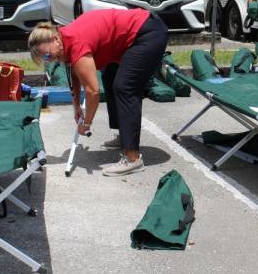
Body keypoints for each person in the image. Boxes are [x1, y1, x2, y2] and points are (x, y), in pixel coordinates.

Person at [28, 9, 168, 176]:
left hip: (148, 33)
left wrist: (86, 123)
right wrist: (76, 108)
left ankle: (133, 158)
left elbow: (93, 91)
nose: (50, 60)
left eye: (48, 55)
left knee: (124, 87)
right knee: (110, 76)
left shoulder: (76, 43)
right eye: (46, 59)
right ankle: (124, 136)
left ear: (56, 39)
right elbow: (74, 73)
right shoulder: (64, 39)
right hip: (136, 35)